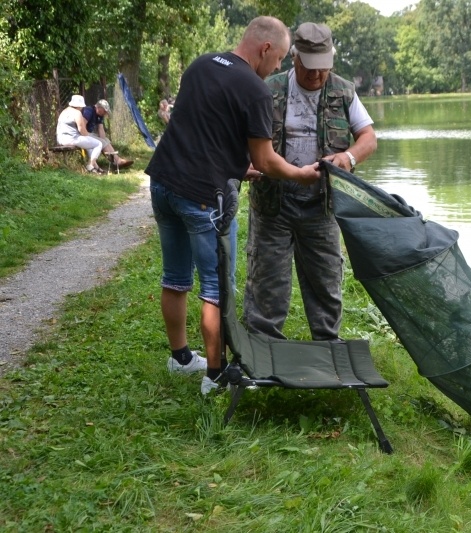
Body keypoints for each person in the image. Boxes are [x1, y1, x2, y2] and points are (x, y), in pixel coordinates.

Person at [145, 16, 321, 395]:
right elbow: (268, 160)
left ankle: (180, 358)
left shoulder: (201, 64)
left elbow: (203, 130)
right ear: (265, 48)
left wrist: (238, 167)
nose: (278, 68)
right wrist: (300, 174)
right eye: (280, 60)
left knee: (175, 277)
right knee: (216, 287)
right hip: (203, 196)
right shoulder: (255, 91)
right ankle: (216, 374)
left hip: (163, 182)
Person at [244, 22, 378, 342]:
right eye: (310, 68)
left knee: (326, 283)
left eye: (324, 68)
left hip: (322, 204)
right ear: (294, 58)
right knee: (267, 282)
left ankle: (328, 349)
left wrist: (348, 158)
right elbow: (241, 138)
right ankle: (262, 353)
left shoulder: (344, 91)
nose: (317, 76)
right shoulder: (267, 88)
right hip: (272, 202)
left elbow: (368, 138)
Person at [56, 94, 105, 175]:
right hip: (72, 139)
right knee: (98, 144)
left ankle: (95, 166)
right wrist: (88, 136)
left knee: (89, 145)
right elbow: (81, 130)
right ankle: (90, 164)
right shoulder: (77, 113)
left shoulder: (63, 111)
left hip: (60, 139)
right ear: (80, 105)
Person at [82, 99, 134, 170]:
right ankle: (116, 162)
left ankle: (117, 160)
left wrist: (104, 140)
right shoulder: (89, 111)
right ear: (99, 107)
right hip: (83, 134)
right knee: (102, 142)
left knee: (106, 140)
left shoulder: (100, 115)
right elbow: (82, 125)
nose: (105, 113)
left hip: (89, 134)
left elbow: (101, 128)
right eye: (104, 111)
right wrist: (101, 141)